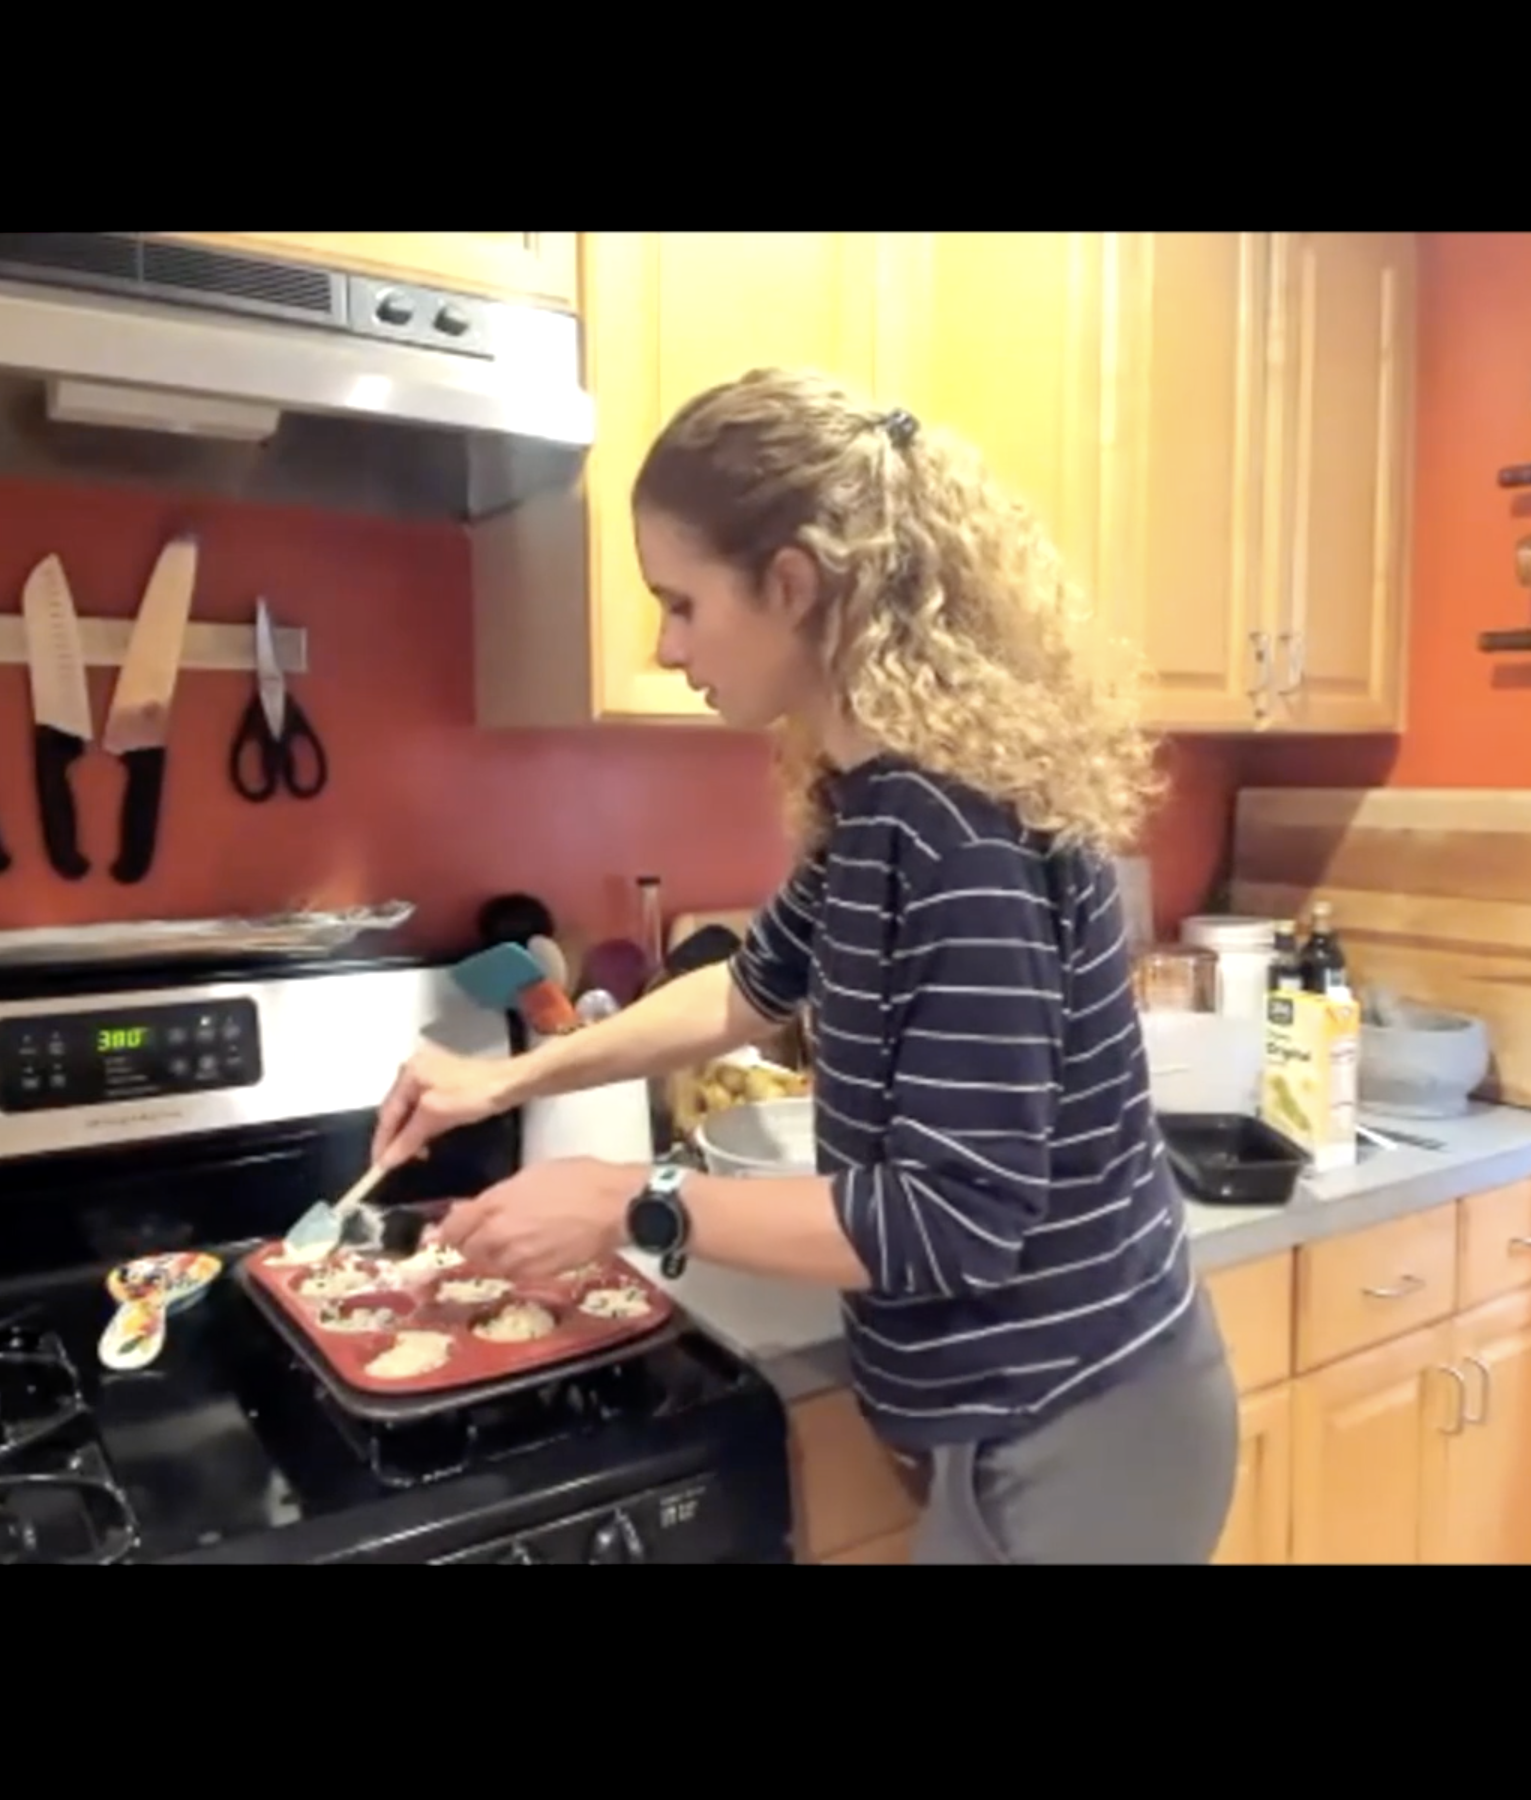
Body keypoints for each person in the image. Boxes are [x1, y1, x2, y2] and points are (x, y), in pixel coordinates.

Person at [369, 366, 1238, 1565]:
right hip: (1012, 1417)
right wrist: (514, 1081)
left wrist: (630, 1201)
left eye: (680, 603)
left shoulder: (954, 826)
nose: (668, 647)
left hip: (1081, 1430)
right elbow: (745, 987)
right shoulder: (878, 804)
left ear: (791, 585)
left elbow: (951, 1221)